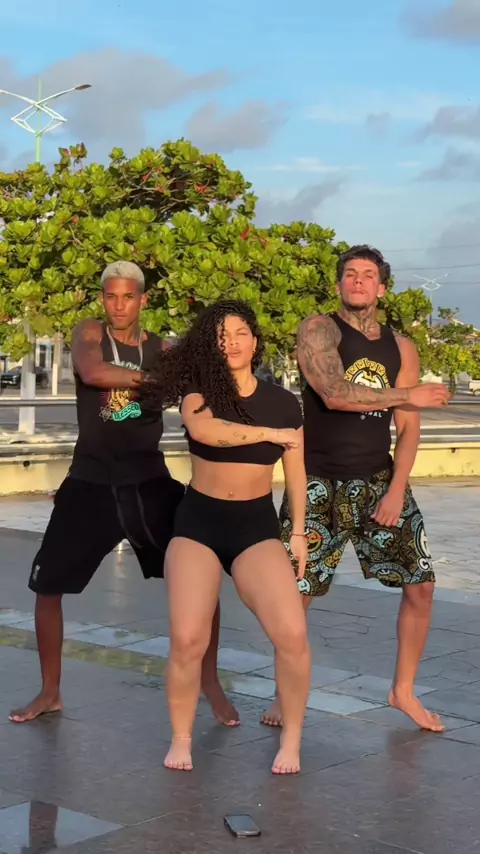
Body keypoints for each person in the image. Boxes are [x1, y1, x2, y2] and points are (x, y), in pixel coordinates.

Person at [9, 261, 234, 726]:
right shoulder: (90, 333)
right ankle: (50, 691)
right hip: (89, 482)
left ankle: (210, 681)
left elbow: (205, 383)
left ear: (142, 300)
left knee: (200, 579)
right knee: (47, 588)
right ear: (103, 299)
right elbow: (93, 372)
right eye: (111, 296)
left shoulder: (161, 348)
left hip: (147, 482)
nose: (118, 305)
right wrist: (157, 380)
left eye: (128, 296)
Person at [261, 245, 451, 733]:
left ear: (382, 287)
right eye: (350, 274)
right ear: (339, 284)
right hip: (318, 481)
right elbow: (332, 393)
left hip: (378, 481)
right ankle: (285, 691)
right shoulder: (318, 329)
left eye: (368, 275)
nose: (359, 281)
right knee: (296, 593)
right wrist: (408, 394)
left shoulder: (402, 348)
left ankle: (402, 691)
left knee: (421, 586)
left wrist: (397, 489)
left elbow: (408, 428)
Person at [141, 299, 310, 774]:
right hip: (198, 525)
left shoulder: (284, 402)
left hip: (255, 528)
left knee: (293, 634)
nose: (231, 343)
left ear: (255, 341)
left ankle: (292, 741)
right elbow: (207, 432)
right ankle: (181, 738)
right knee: (187, 639)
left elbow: (296, 473)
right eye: (221, 336)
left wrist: (298, 532)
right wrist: (270, 434)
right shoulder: (198, 392)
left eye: (239, 333)